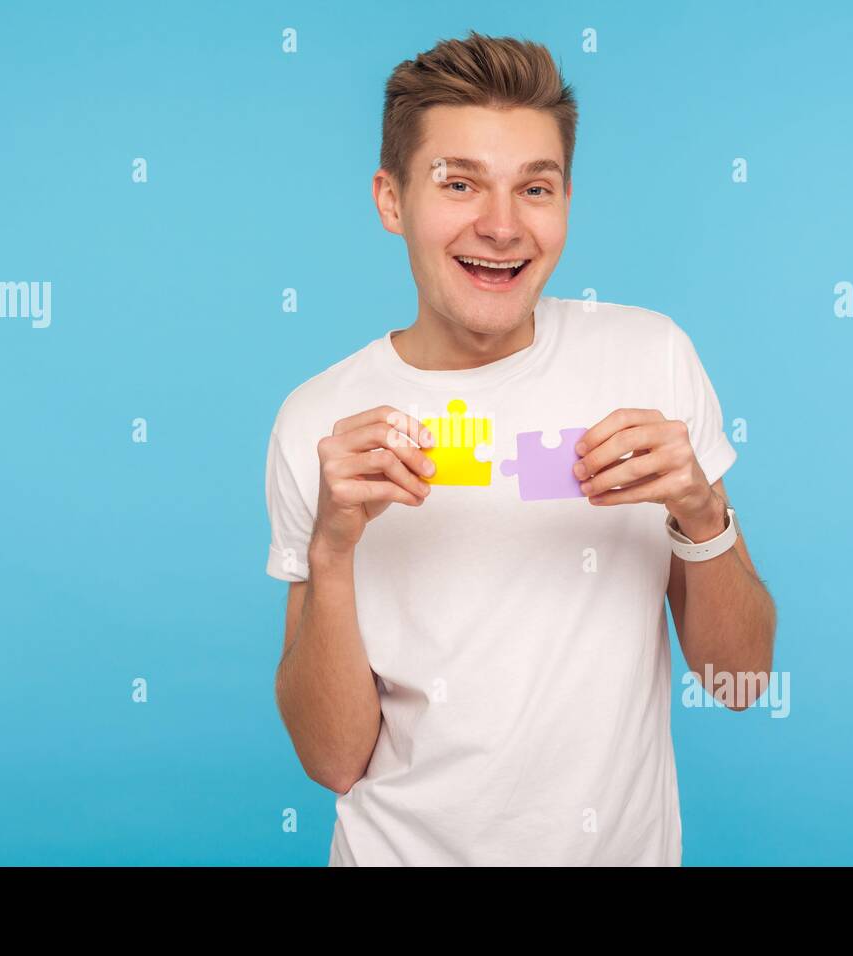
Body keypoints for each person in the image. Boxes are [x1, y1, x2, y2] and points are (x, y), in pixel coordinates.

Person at [264, 31, 776, 866]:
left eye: (533, 187)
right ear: (391, 200)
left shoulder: (650, 359)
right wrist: (331, 550)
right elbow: (331, 761)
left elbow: (740, 682)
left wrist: (699, 509)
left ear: (567, 199)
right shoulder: (318, 419)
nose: (500, 226)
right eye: (458, 183)